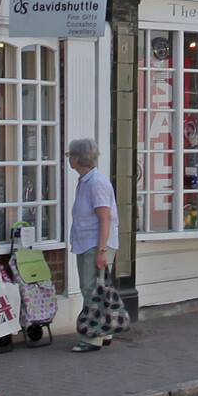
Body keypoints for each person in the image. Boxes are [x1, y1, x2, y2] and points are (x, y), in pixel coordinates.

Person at [66, 137, 117, 352]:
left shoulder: (95, 183)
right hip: (89, 244)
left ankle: (92, 337)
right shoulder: (87, 180)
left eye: (69, 155)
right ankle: (104, 331)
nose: (68, 159)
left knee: (91, 290)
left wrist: (101, 251)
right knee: (98, 289)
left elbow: (105, 218)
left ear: (77, 159)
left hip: (94, 245)